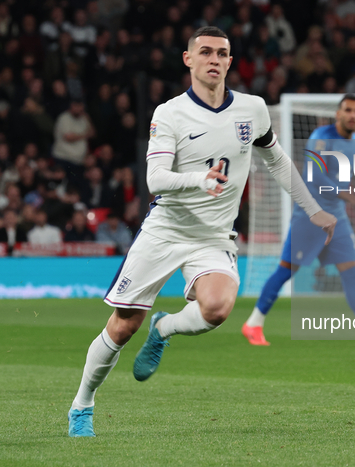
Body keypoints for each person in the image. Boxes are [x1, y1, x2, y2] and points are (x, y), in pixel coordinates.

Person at [67, 26, 336, 438]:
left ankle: (165, 328)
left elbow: (278, 162)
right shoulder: (169, 113)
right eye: (205, 52)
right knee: (122, 325)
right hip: (166, 230)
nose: (214, 59)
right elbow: (155, 179)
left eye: (222, 53)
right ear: (188, 59)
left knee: (218, 308)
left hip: (213, 236)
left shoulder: (253, 109)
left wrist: (314, 210)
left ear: (230, 62)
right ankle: (82, 405)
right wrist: (198, 180)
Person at [243, 94, 355, 346]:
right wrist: (351, 197)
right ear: (338, 114)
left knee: (351, 271)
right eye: (348, 110)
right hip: (311, 214)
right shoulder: (321, 137)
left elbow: (346, 175)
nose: (353, 115)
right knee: (286, 270)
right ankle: (253, 323)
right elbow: (314, 174)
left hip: (337, 216)